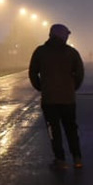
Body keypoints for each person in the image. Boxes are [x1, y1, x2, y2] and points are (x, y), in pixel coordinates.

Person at [29, 23, 85, 169]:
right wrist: (73, 87)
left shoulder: (40, 52)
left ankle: (60, 159)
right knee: (71, 128)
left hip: (49, 100)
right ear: (63, 36)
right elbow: (80, 73)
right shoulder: (71, 53)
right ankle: (77, 158)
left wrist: (41, 87)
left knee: (54, 130)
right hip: (68, 99)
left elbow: (33, 72)